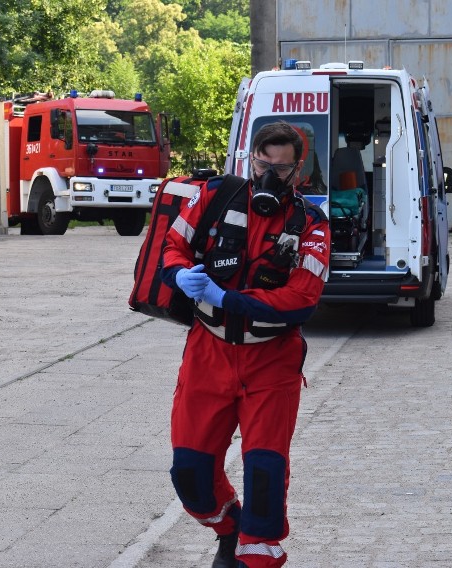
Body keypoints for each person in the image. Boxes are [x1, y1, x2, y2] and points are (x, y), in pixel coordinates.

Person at [160, 121, 331, 567]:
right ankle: (228, 528)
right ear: (250, 158)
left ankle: (257, 559)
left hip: (271, 361)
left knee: (265, 474)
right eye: (263, 162)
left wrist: (229, 298)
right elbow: (172, 246)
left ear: (299, 171)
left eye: (282, 167)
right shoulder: (214, 199)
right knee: (190, 473)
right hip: (208, 352)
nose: (270, 174)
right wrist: (180, 274)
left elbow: (301, 299)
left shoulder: (311, 224)